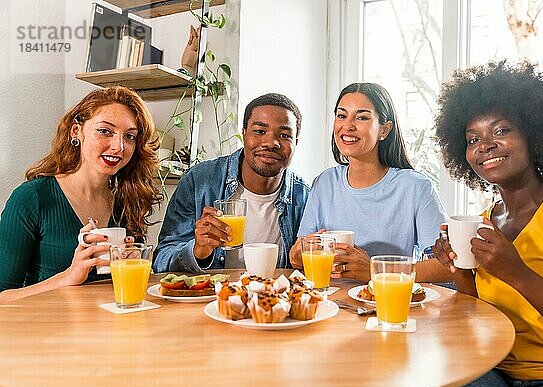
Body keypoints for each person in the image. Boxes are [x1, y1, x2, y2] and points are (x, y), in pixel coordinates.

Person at [432, 60, 543, 387]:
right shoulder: (482, 223)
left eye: (501, 130)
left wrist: (518, 274)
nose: (484, 145)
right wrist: (460, 271)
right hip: (494, 368)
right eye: (472, 138)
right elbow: (476, 322)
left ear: (534, 133)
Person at [0, 86, 162, 303]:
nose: (118, 146)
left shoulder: (126, 202)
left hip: (107, 330)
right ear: (77, 131)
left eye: (130, 136)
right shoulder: (31, 198)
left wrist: (133, 263)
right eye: (105, 131)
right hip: (47, 331)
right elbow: (2, 297)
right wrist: (67, 277)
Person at [290, 82, 450, 283]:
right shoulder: (324, 182)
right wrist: (296, 256)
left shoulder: (415, 188)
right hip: (330, 303)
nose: (347, 126)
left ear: (384, 130)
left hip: (388, 304)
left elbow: (445, 266)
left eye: (362, 117)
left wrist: (376, 271)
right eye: (341, 115)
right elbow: (299, 254)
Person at [153, 93, 310, 272]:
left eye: (284, 135)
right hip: (211, 297)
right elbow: (161, 260)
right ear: (243, 134)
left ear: (296, 142)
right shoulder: (198, 181)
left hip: (271, 298)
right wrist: (198, 251)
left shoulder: (305, 197)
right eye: (259, 131)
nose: (271, 142)